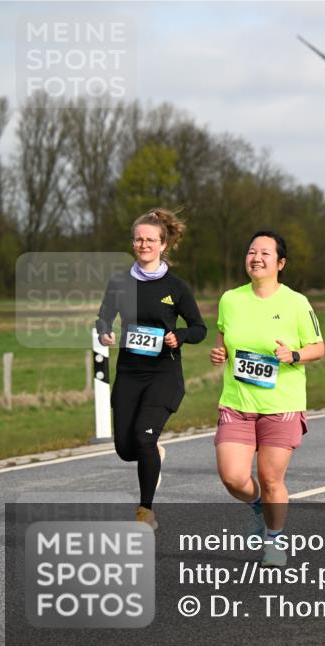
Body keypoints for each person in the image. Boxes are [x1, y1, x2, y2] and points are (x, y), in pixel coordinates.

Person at [210, 231, 325, 566]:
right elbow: (224, 339)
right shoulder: (230, 299)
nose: (256, 258)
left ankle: (274, 540)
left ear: (281, 263)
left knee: (271, 478)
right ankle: (258, 506)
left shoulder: (296, 302)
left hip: (281, 405)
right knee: (232, 476)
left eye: (264, 253)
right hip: (237, 401)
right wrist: (219, 354)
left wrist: (293, 355)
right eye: (251, 252)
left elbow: (318, 347)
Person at [96, 208, 206, 530]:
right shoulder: (119, 283)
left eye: (151, 240)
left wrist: (179, 336)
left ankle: (145, 513)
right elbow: (103, 316)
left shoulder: (176, 287)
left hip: (163, 374)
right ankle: (155, 452)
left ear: (163, 244)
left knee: (143, 439)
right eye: (139, 239)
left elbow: (199, 328)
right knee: (126, 449)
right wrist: (104, 331)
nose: (144, 244)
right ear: (133, 243)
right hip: (129, 371)